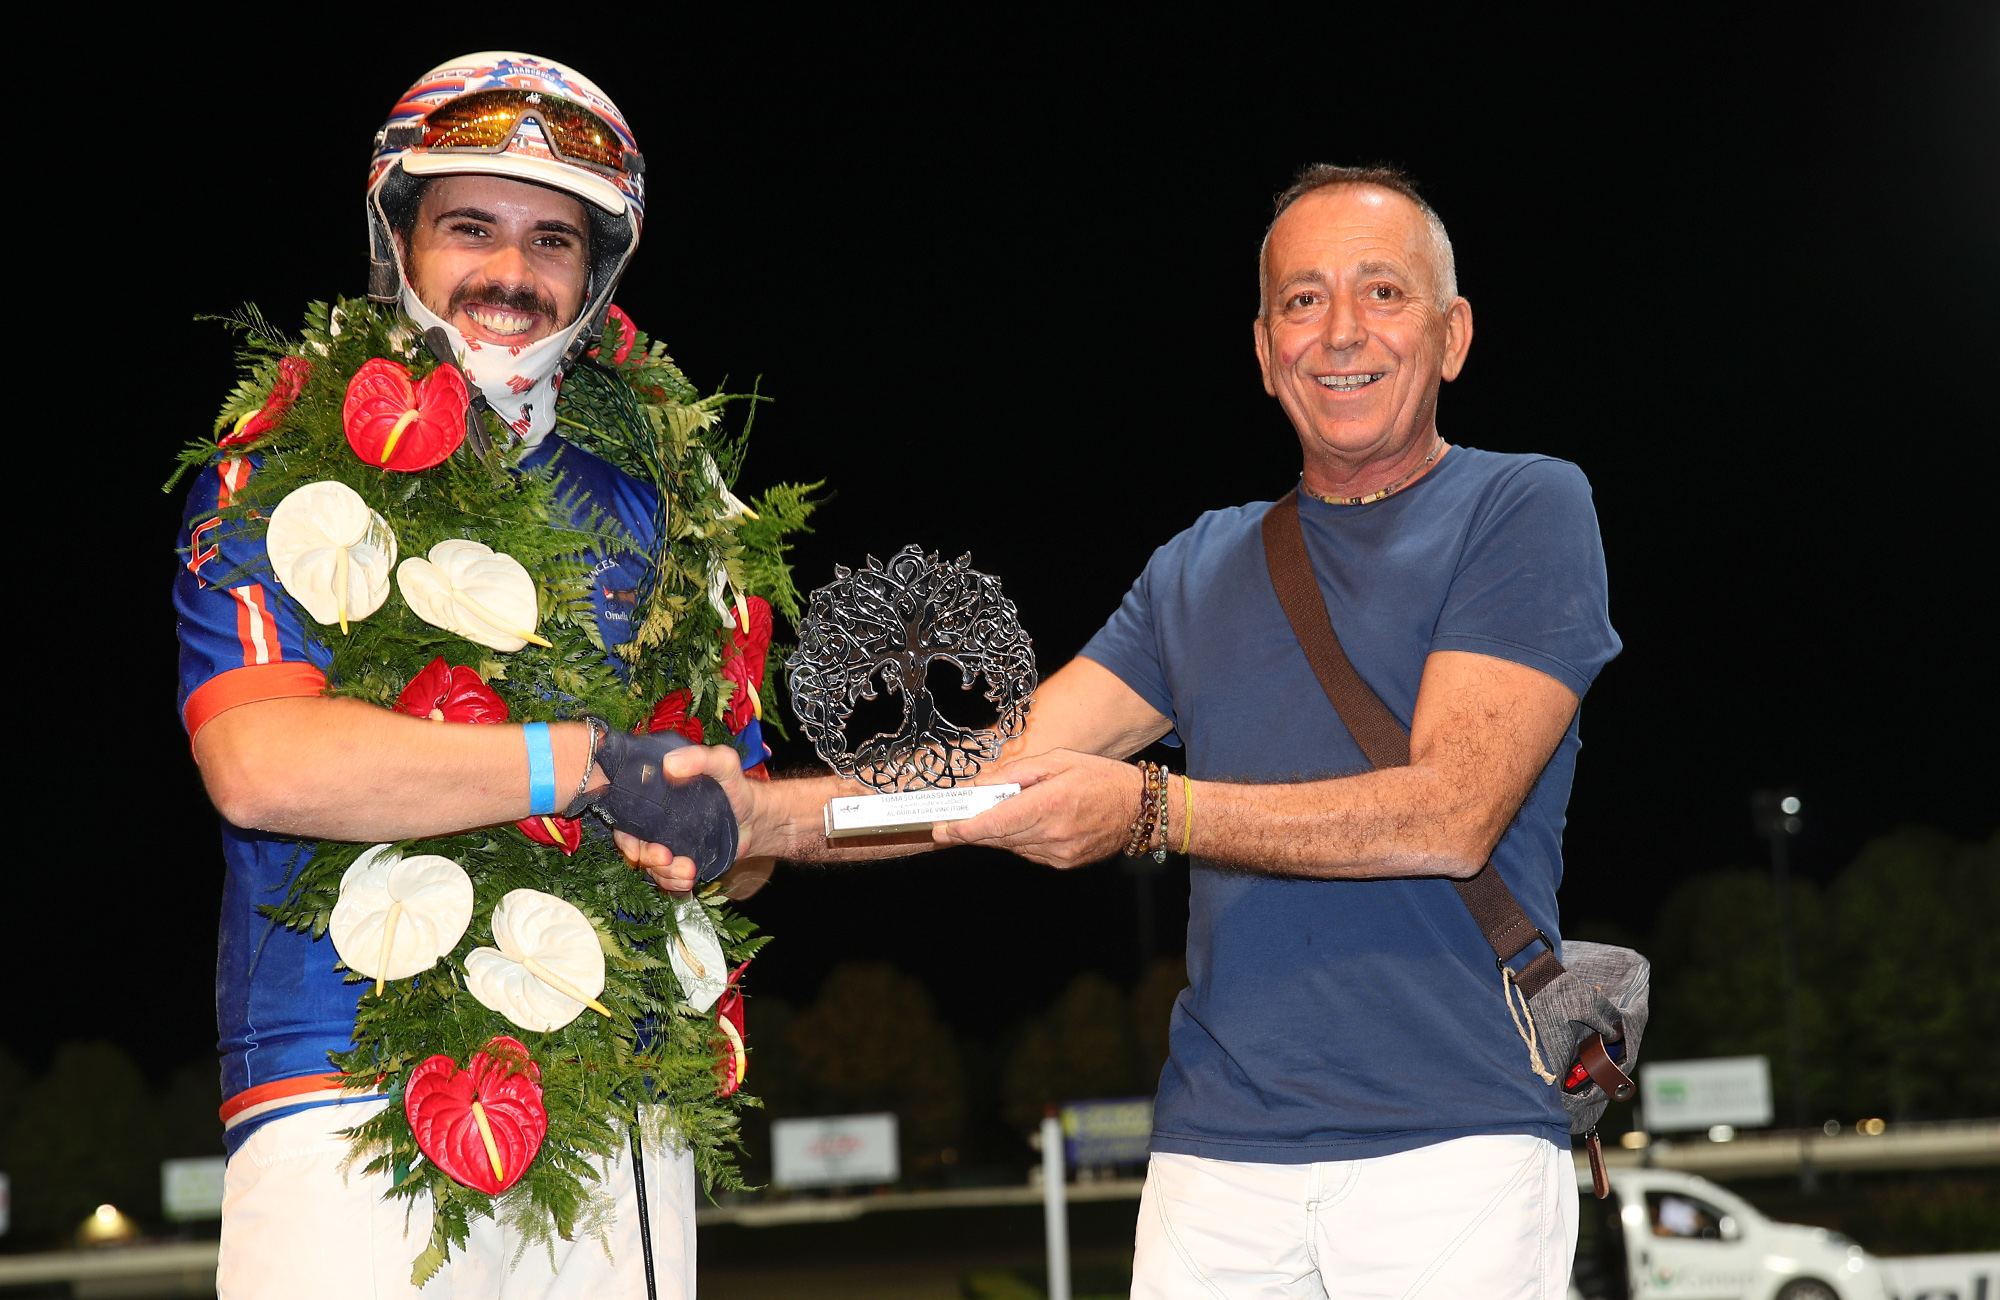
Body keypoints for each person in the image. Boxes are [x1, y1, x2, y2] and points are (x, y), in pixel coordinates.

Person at [652, 164, 1621, 1297]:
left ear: (1451, 335)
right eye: (1301, 300)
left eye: (1382, 293)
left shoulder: (1527, 506)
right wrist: (753, 813)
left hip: (1454, 1147)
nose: (1339, 330)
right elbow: (990, 771)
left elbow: (1449, 813)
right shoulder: (1198, 565)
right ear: (1262, 351)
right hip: (1213, 1160)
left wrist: (1152, 809)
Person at [177, 52, 774, 1299]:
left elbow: (741, 830)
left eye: (553, 238)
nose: (512, 271)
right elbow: (259, 763)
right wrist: (592, 766)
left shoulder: (673, 509)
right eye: (470, 226)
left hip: (621, 1106)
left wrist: (729, 824)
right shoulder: (276, 464)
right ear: (398, 235)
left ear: (597, 272)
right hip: (342, 1093)